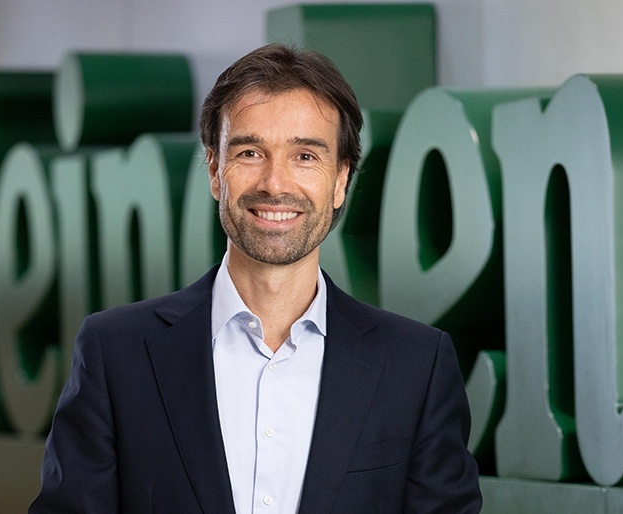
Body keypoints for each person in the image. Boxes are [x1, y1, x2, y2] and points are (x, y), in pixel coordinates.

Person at [30, 43, 481, 513]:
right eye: (249, 152)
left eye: (305, 156)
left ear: (341, 180)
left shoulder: (416, 367)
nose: (275, 183)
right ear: (214, 170)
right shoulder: (115, 354)